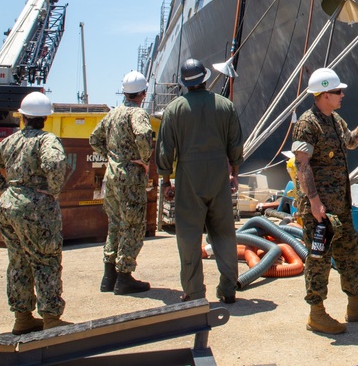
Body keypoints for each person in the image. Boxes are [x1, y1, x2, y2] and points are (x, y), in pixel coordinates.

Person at [292, 67, 358, 334]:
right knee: (319, 257)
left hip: (341, 205)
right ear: (323, 95)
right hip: (320, 209)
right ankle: (316, 313)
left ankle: (355, 305)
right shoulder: (307, 124)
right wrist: (314, 201)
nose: (342, 95)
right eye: (337, 91)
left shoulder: (335, 119)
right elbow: (302, 166)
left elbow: (351, 142)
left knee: (350, 253)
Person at [0, 92, 72, 334]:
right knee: (46, 261)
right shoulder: (46, 140)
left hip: (8, 207)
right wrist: (52, 190)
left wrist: (5, 189)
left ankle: (22, 318)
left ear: (23, 117)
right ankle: (51, 318)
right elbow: (56, 163)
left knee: (18, 262)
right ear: (45, 119)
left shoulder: (12, 140)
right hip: (36, 208)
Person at [156, 58, 243, 304]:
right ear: (205, 78)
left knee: (188, 236)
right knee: (224, 233)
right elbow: (235, 144)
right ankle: (228, 289)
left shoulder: (174, 109)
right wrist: (234, 174)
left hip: (188, 176)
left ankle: (194, 292)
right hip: (218, 174)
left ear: (184, 83)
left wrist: (166, 182)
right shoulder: (225, 106)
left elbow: (165, 149)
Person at [89, 70, 155, 295]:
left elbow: (94, 138)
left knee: (115, 223)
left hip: (112, 175)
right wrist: (143, 160)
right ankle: (124, 277)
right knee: (133, 225)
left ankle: (109, 277)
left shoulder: (113, 114)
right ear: (143, 93)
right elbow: (144, 135)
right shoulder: (138, 114)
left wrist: (112, 156)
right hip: (130, 177)